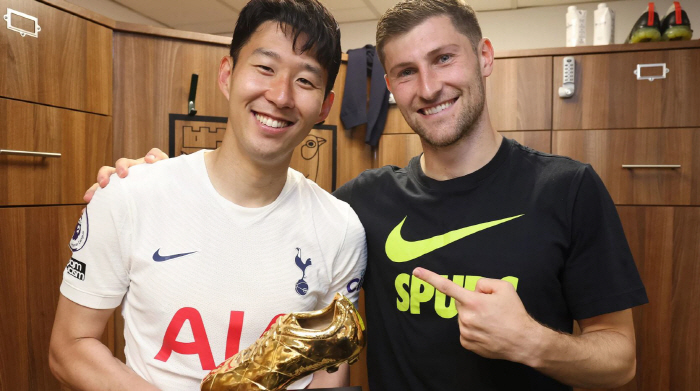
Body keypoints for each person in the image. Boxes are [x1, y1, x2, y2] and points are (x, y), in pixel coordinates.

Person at [89, 1, 648, 390]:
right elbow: (265, 214)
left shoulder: (567, 189)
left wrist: (532, 343)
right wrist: (151, 179)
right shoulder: (359, 207)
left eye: (443, 59)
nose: (427, 88)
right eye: (405, 72)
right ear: (390, 88)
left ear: (483, 57)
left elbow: (620, 361)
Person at [49, 1, 366, 390]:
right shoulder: (128, 195)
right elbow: (70, 345)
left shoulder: (342, 228)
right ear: (228, 75)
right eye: (265, 68)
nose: (281, 95)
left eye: (305, 80)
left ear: (325, 107)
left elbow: (328, 374)